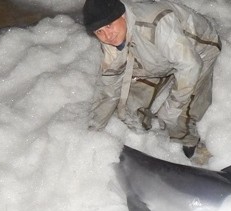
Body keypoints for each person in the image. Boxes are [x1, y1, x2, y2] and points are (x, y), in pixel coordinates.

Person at [82, 0, 221, 164]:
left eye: (109, 25)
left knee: (178, 115)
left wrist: (173, 106)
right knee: (128, 107)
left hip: (197, 52)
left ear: (122, 15)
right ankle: (145, 138)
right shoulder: (111, 43)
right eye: (99, 31)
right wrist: (93, 130)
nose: (107, 35)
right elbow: (110, 88)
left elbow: (190, 65)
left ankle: (191, 147)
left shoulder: (155, 23)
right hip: (154, 58)